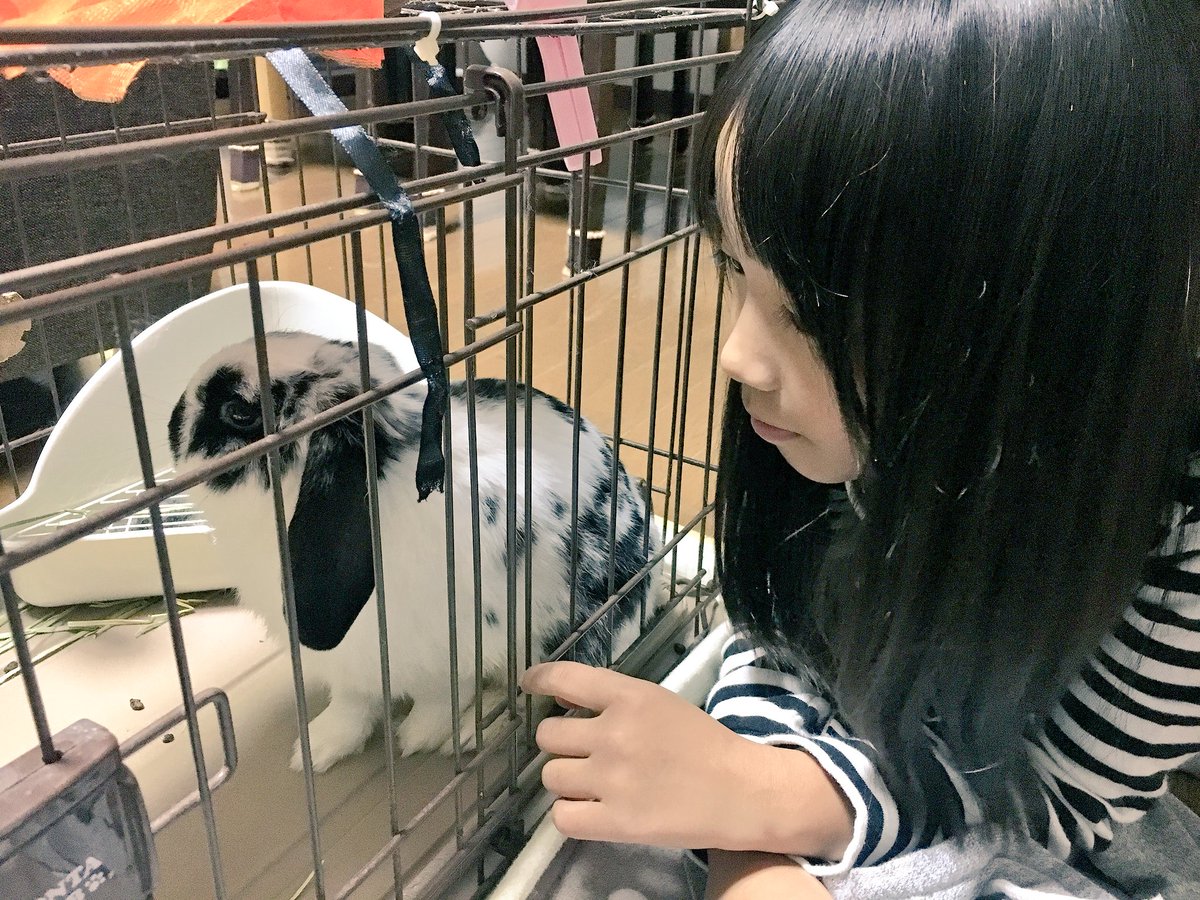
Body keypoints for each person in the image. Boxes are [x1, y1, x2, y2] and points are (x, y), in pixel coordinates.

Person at [521, 0, 1200, 897]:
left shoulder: (1177, 546)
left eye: (812, 312)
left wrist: (767, 803)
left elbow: (1064, 799)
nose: (736, 357)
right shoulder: (860, 436)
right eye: (734, 271)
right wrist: (746, 829)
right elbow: (784, 631)